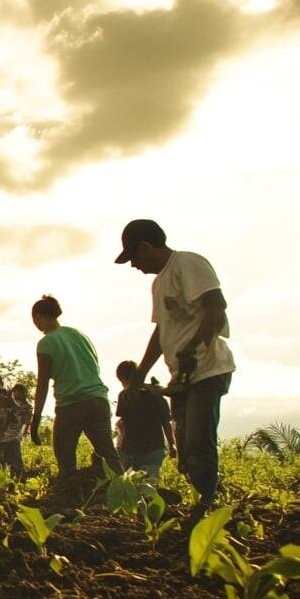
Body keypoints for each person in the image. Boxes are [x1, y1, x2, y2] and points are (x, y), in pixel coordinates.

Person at [117, 219, 234, 519]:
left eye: (133, 258)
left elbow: (216, 307)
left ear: (145, 247)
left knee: (198, 440)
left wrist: (193, 348)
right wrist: (140, 374)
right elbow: (162, 332)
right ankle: (200, 499)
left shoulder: (188, 263)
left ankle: (205, 507)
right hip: (181, 377)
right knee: (185, 449)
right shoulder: (159, 284)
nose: (133, 266)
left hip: (207, 370)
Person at [29, 296, 121, 478]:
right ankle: (124, 489)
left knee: (65, 460)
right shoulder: (79, 335)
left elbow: (43, 382)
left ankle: (69, 491)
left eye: (34, 319)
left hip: (71, 405)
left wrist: (36, 418)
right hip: (98, 400)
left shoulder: (46, 343)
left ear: (39, 316)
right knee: (109, 455)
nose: (35, 324)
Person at [115, 360, 175, 482]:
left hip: (129, 450)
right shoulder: (156, 393)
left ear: (122, 379)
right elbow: (166, 422)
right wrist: (172, 445)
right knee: (149, 485)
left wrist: (119, 444)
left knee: (127, 484)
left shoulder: (124, 395)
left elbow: (123, 423)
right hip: (154, 448)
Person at [2, 384, 33, 479]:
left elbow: (27, 420)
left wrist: (26, 431)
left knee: (16, 458)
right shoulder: (8, 403)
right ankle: (9, 479)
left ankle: (21, 477)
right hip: (4, 435)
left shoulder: (27, 406)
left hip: (15, 435)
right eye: (15, 391)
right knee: (4, 458)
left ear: (24, 394)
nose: (17, 393)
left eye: (19, 392)